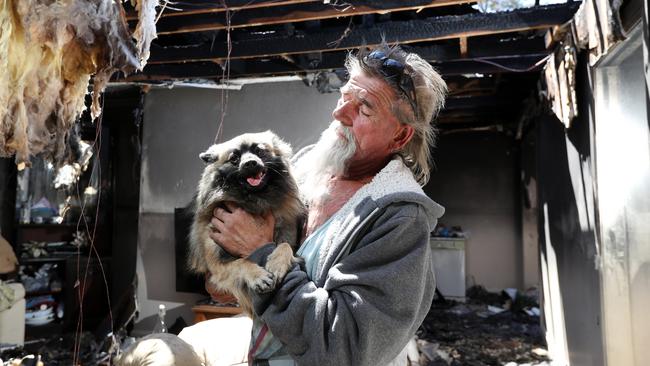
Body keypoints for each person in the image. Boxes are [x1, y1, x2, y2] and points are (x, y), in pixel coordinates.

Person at [208, 44, 447, 366]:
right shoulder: (304, 172)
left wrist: (260, 252)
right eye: (343, 97)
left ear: (400, 136)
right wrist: (230, 267)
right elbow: (226, 287)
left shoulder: (400, 218)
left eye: (363, 109)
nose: (339, 114)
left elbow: (343, 347)